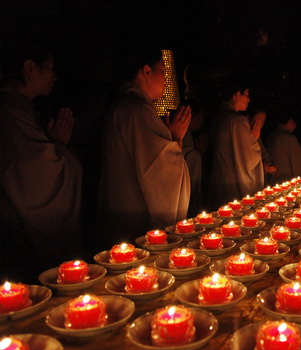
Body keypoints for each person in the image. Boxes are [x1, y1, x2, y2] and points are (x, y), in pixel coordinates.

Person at [0, 44, 82, 279]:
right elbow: (37, 173)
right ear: (29, 68)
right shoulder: (10, 111)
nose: (54, 76)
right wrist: (58, 145)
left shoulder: (21, 107)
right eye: (49, 68)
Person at [98, 48, 191, 245]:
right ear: (147, 72)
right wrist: (175, 139)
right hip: (135, 220)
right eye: (163, 71)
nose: (167, 78)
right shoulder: (137, 110)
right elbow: (163, 173)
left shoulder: (129, 106)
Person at [209, 80, 263, 207]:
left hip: (218, 180)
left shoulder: (218, 117)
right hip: (232, 185)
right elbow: (248, 157)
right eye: (247, 95)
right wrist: (254, 140)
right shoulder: (237, 121)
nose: (249, 100)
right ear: (237, 94)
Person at [267, 114, 301, 181]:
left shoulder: (270, 137)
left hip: (272, 179)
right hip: (286, 180)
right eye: (295, 124)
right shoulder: (289, 139)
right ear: (290, 122)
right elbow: (299, 164)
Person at [248, 109, 277, 184]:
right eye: (258, 119)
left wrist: (270, 166)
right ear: (248, 118)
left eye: (263, 121)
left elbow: (264, 154)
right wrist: (263, 168)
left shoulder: (258, 136)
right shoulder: (244, 135)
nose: (260, 123)